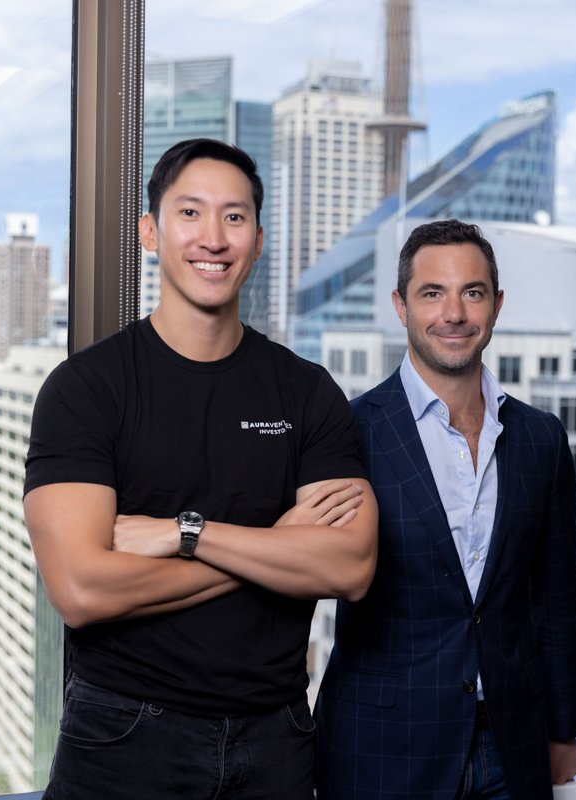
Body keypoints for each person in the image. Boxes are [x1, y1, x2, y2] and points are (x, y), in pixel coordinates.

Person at [24, 138, 379, 799]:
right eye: (190, 213)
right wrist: (276, 541)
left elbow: (350, 569)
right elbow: (81, 590)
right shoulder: (86, 389)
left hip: (277, 740)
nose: (212, 238)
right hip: (124, 735)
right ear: (150, 232)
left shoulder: (306, 393)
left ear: (260, 239)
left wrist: (184, 532)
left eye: (234, 217)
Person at [317, 219, 576, 800]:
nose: (454, 313)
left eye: (473, 292)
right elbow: (301, 573)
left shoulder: (541, 437)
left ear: (496, 304)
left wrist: (564, 728)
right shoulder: (349, 431)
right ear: (400, 305)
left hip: (511, 745)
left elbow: (557, 595)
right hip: (382, 743)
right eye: (432, 293)